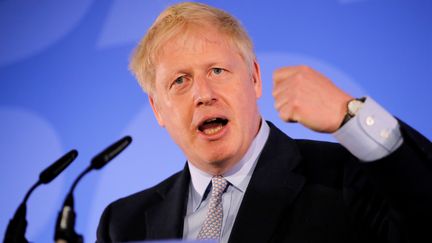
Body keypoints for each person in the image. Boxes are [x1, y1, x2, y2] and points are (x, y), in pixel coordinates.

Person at [96, 2, 432, 243]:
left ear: (254, 78)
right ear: (157, 109)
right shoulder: (122, 225)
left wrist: (352, 115)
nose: (203, 94)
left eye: (217, 70)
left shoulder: (342, 178)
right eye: (180, 81)